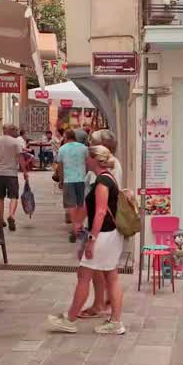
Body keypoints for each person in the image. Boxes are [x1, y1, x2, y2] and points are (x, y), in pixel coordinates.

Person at [48, 144, 126, 335]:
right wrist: (79, 221)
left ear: (94, 159)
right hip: (111, 234)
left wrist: (91, 239)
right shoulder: (108, 178)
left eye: (87, 157)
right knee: (111, 277)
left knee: (84, 275)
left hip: (103, 236)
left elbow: (100, 212)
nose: (85, 160)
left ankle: (70, 319)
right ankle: (115, 322)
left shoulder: (102, 182)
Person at [78, 129, 123, 319]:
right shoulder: (109, 166)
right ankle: (106, 307)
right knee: (106, 273)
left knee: (94, 271)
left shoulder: (106, 171)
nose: (89, 147)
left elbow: (101, 208)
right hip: (101, 227)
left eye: (92, 143)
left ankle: (99, 307)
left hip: (102, 227)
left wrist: (91, 237)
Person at [0, 124, 28, 231]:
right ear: (10, 130)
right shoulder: (15, 142)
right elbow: (20, 158)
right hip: (11, 174)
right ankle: (11, 215)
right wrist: (25, 172)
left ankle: (1, 219)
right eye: (15, 130)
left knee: (0, 197)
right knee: (14, 197)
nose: (16, 132)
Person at [55, 128, 89, 242]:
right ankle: (80, 226)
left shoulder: (62, 149)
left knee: (71, 206)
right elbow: (88, 163)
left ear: (65, 137)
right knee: (80, 204)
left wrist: (60, 180)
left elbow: (60, 166)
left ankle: (75, 228)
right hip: (82, 179)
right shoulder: (84, 148)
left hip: (69, 180)